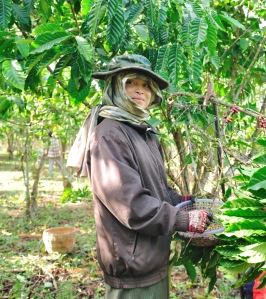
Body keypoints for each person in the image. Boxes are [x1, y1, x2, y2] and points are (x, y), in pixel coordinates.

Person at [67, 54, 212, 299]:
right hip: (132, 268)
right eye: (130, 82)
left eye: (146, 85)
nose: (139, 90)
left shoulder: (145, 133)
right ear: (115, 86)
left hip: (153, 259)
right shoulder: (109, 134)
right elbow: (130, 204)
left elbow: (157, 190)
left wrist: (181, 201)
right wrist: (180, 219)